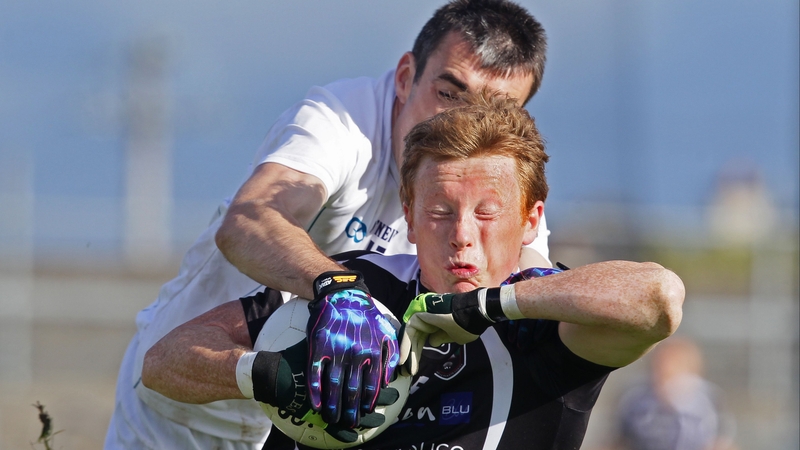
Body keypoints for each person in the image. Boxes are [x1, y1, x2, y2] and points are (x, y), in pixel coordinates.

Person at [105, 1, 552, 448]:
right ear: (405, 77)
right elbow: (250, 218)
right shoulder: (339, 120)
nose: (462, 123)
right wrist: (337, 288)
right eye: (449, 94)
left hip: (316, 421)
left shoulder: (497, 169)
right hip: (188, 401)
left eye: (495, 108)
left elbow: (534, 274)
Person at [141, 93, 685, 449]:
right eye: (440, 212)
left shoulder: (544, 320)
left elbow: (658, 297)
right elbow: (163, 361)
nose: (462, 234)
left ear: (530, 219)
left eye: (487, 214)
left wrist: (492, 305)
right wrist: (270, 375)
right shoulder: (352, 296)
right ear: (409, 211)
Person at [611, 336, 739, 450]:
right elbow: (618, 440)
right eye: (661, 361)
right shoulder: (635, 398)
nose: (666, 367)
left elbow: (722, 442)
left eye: (673, 361)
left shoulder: (709, 398)